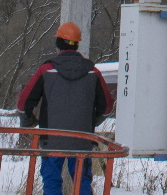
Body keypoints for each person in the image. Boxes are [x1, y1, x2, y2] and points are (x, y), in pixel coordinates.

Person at [17, 22, 113, 195]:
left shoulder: (46, 70)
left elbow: (23, 104)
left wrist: (28, 122)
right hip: (83, 140)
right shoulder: (93, 72)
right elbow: (107, 107)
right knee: (81, 182)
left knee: (52, 182)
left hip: (52, 140)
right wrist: (92, 122)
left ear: (58, 44)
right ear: (77, 44)